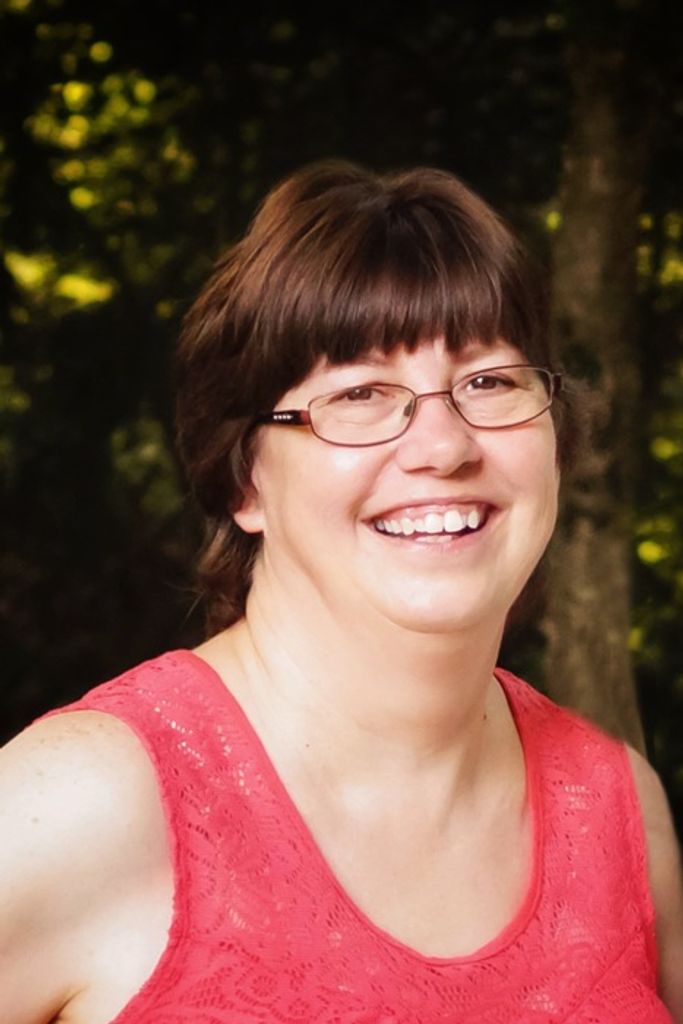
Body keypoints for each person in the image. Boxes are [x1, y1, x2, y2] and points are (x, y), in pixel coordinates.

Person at [1, 161, 682, 1024]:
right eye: (359, 394)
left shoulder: (620, 813)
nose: (443, 446)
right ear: (242, 478)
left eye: (489, 381)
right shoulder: (74, 808)